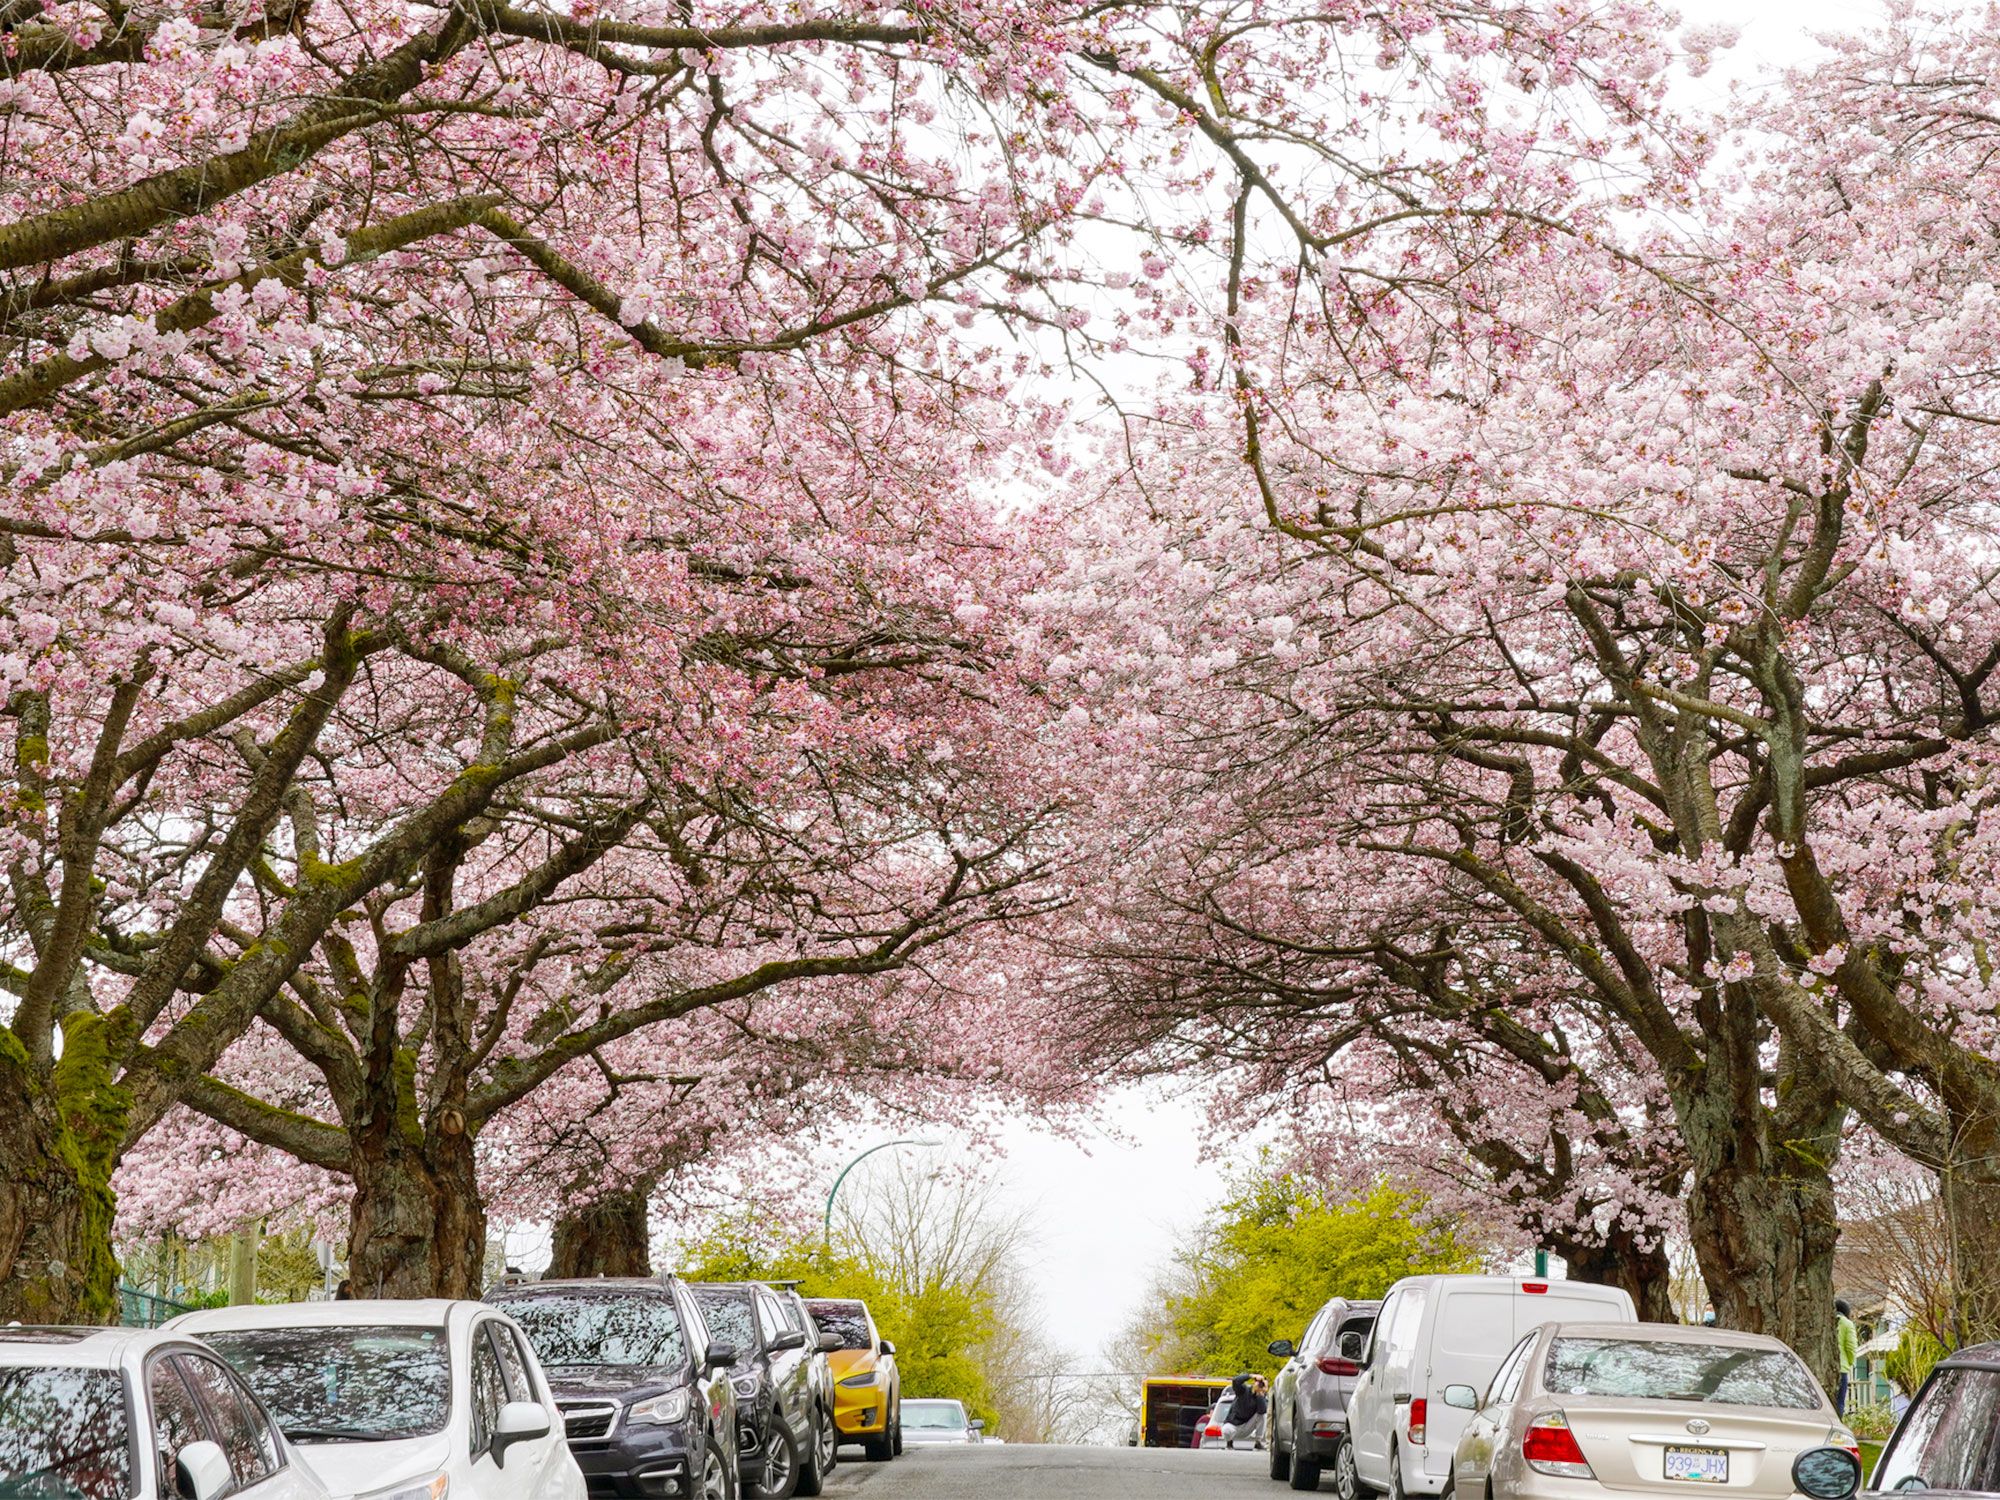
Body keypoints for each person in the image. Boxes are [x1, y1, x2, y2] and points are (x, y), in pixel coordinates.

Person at [1223, 1373, 1270, 1451]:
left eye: (1262, 1384)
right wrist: (1252, 1376)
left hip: (1248, 1427)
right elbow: (1236, 1381)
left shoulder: (1260, 1396)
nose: (1260, 1385)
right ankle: (1229, 1443)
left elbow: (1262, 1411)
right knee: (1226, 1430)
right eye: (1259, 1383)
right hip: (1234, 1425)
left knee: (1262, 1415)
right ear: (1254, 1382)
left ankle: (1258, 1442)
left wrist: (1260, 1393)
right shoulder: (1244, 1390)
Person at [1835, 1299, 1858, 1416]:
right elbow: (1851, 1347)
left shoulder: (1827, 1321)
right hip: (1842, 1368)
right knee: (1839, 1403)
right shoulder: (1847, 1324)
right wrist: (1850, 1362)